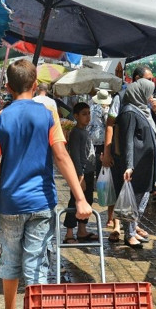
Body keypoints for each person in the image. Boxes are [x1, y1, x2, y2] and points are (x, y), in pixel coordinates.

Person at [0, 60, 91, 309]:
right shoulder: (47, 115)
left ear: (7, 87)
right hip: (42, 204)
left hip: (9, 206)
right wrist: (80, 199)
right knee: (36, 270)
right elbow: (61, 156)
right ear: (35, 86)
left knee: (11, 263)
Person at [102, 66, 154, 242]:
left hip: (139, 156)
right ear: (138, 79)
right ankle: (122, 227)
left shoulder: (144, 98)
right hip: (122, 152)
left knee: (137, 191)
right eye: (148, 79)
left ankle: (132, 225)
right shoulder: (121, 97)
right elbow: (110, 124)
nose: (151, 83)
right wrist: (107, 151)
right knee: (124, 190)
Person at [111, 78, 156, 248]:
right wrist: (129, 165)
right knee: (133, 202)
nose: (151, 95)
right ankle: (129, 234)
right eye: (149, 91)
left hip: (144, 165)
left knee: (142, 199)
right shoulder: (129, 113)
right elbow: (128, 141)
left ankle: (132, 230)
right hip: (136, 165)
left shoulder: (141, 110)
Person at [63, 102, 96, 244]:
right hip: (80, 174)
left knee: (87, 201)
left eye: (89, 113)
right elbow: (76, 156)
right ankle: (69, 232)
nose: (87, 117)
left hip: (88, 172)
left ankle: (82, 230)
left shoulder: (85, 131)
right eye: (84, 114)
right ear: (76, 116)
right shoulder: (76, 133)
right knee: (75, 201)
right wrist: (79, 177)